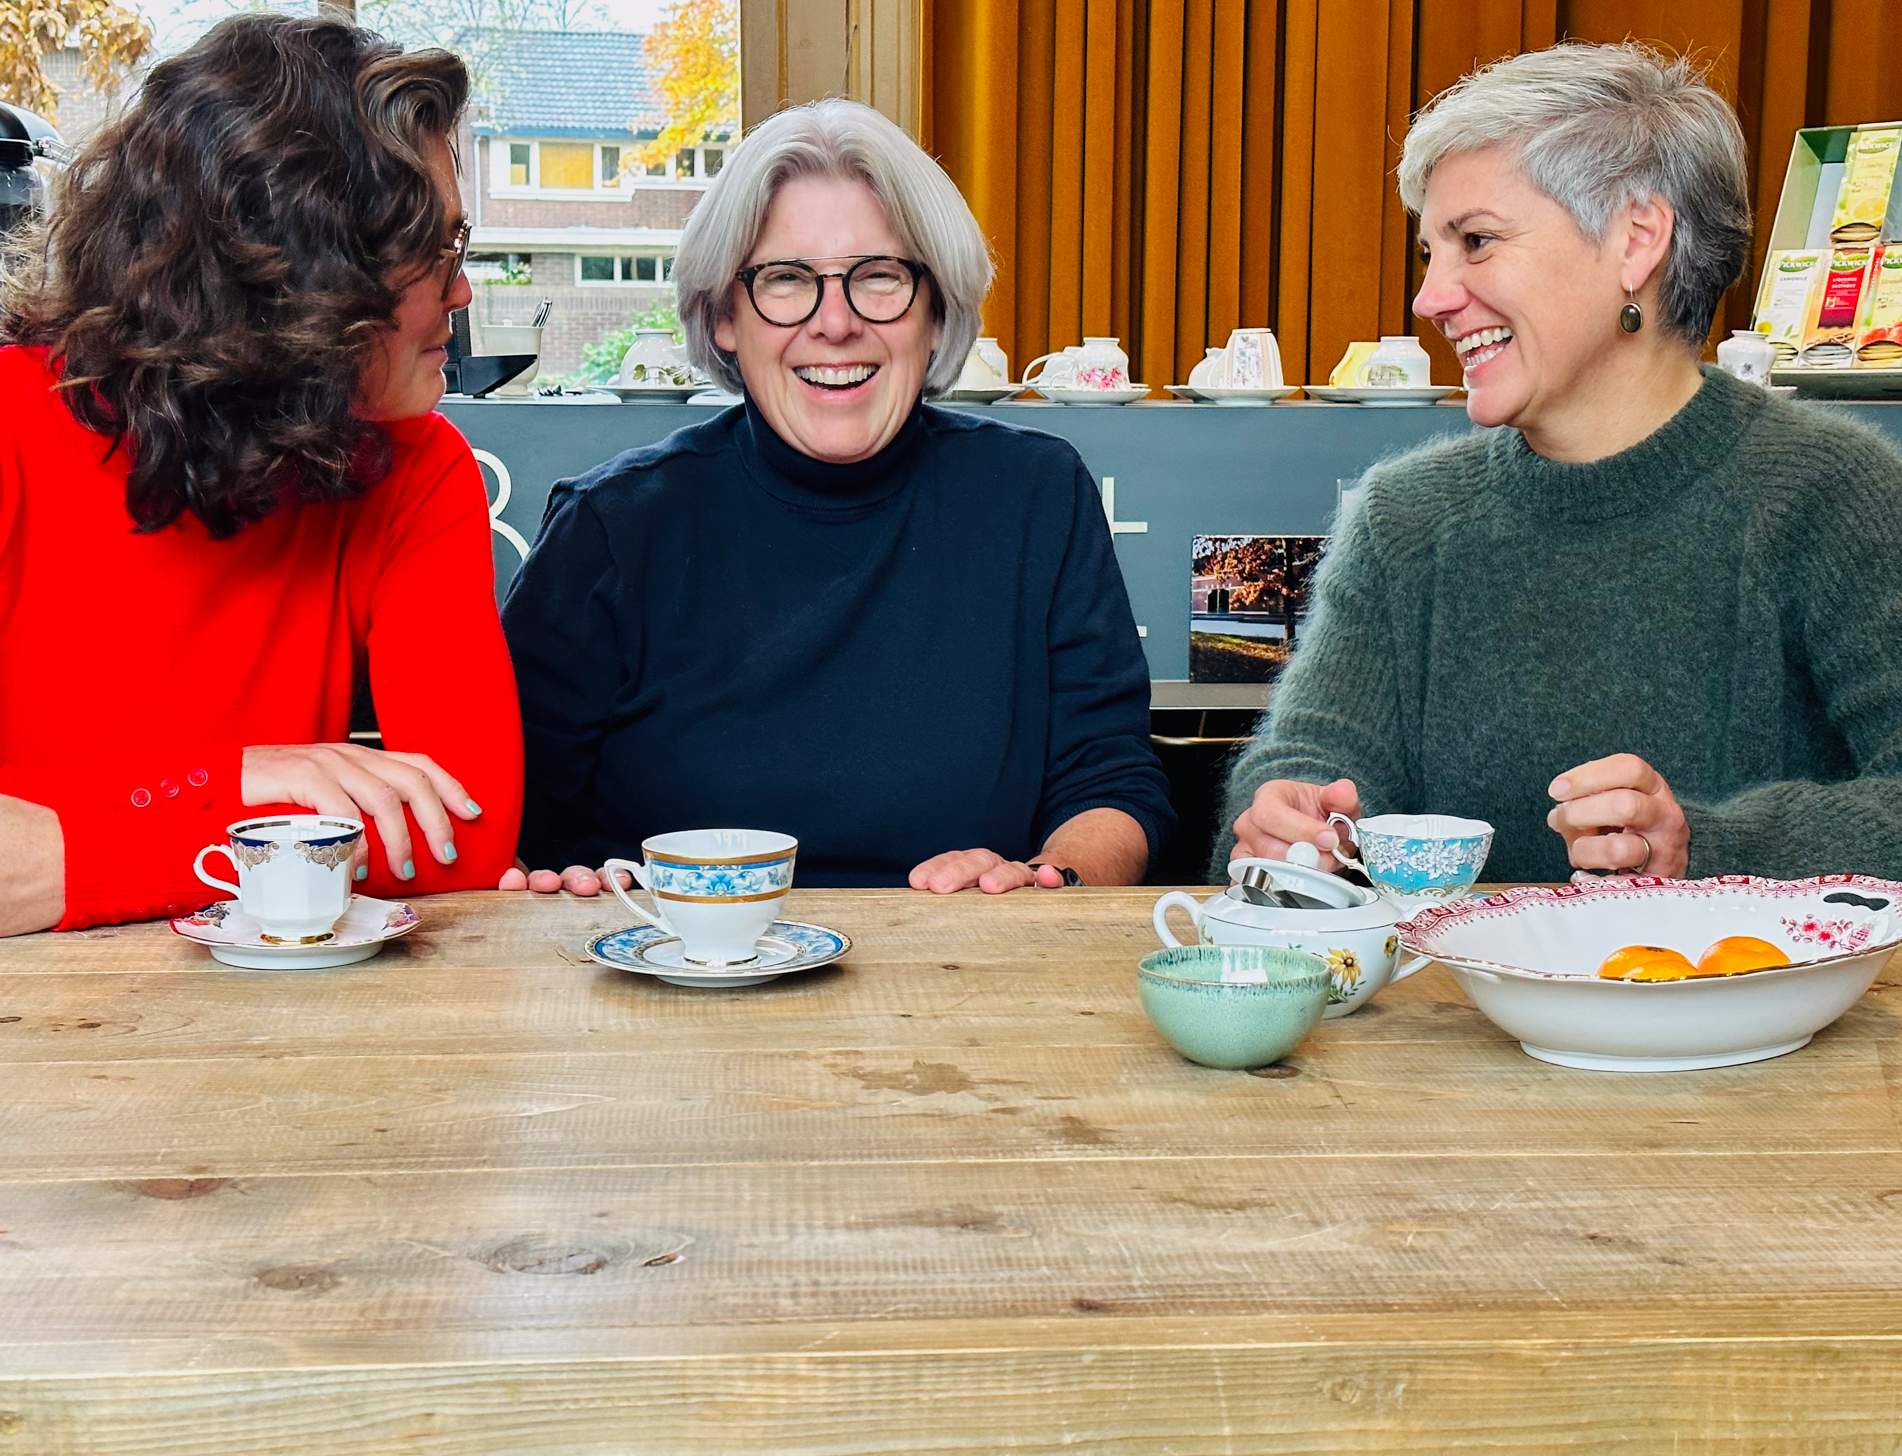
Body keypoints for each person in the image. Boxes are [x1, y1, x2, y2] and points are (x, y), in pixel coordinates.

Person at [1220, 42, 1902, 883]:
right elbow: (1306, 769)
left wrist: (1709, 850)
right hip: (1453, 1017)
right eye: (1431, 251)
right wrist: (1285, 825)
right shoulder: (1405, 521)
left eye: (1475, 241)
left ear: (1637, 240)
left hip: (1756, 1012)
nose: (1429, 297)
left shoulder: (1835, 496)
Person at [0, 15, 522, 937]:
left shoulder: (418, 467)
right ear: (303, 277)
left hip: (268, 1024)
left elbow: (461, 835)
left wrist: (78, 860)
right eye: (434, 254)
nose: (463, 293)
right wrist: (236, 782)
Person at [501, 99, 1173, 895]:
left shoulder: (1037, 496)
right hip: (676, 989)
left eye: (879, 277)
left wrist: (1049, 878)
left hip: (959, 994)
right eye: (787, 280)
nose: (836, 323)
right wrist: (532, 884)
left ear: (934, 310)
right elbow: (509, 824)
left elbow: (1114, 785)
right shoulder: (610, 529)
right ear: (723, 316)